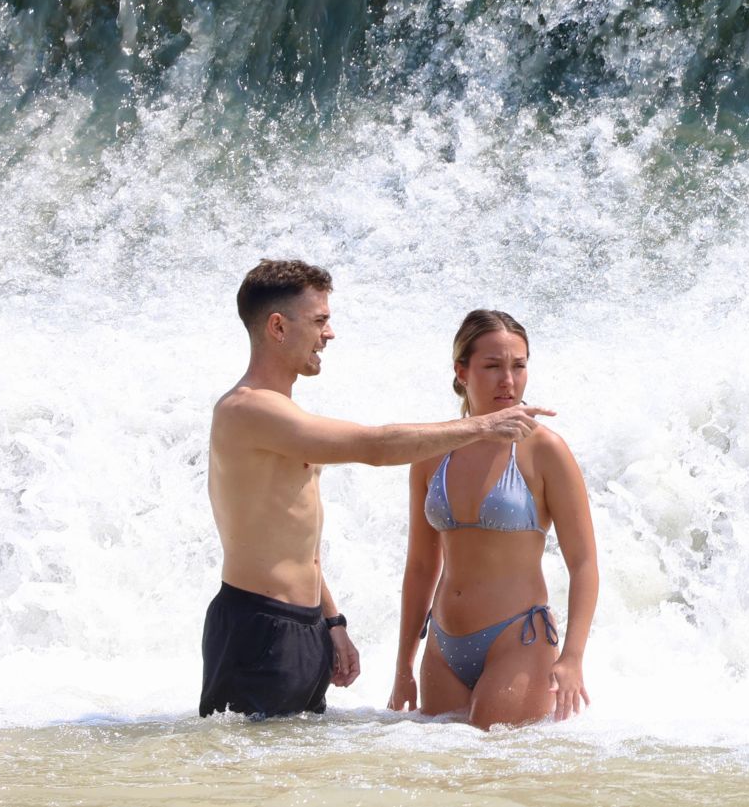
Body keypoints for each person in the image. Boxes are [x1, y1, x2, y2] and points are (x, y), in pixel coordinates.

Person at [203, 260, 551, 719]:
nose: (329, 334)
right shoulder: (248, 411)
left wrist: (331, 621)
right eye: (320, 320)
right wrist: (483, 425)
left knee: (299, 783)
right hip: (260, 625)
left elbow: (294, 534)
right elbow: (373, 445)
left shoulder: (288, 415)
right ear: (277, 326)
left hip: (303, 626)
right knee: (251, 783)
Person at [389, 310, 600, 729]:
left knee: (493, 773)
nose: (509, 380)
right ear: (461, 371)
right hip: (443, 644)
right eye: (492, 366)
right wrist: (403, 665)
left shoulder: (545, 450)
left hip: (517, 639)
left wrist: (572, 657)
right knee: (443, 779)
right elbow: (420, 567)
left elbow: (584, 562)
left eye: (518, 366)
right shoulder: (432, 452)